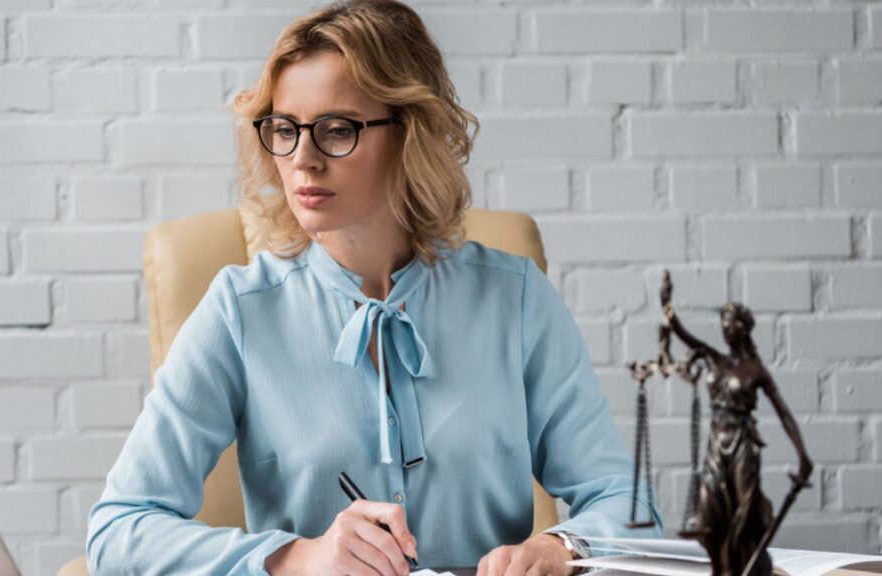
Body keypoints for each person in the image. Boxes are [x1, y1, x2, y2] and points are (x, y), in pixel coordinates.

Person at [86, 1, 662, 575]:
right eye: (285, 130)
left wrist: (556, 549)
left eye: (337, 130)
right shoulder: (240, 311)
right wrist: (297, 558)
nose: (303, 159)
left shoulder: (516, 300)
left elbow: (627, 507)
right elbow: (118, 531)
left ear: (410, 133)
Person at [660, 278, 813, 576]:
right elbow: (682, 333)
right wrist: (666, 305)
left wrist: (802, 455)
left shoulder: (756, 370)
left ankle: (740, 567)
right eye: (724, 324)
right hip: (716, 443)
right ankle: (722, 568)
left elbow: (784, 414)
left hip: (743, 443)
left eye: (733, 324)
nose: (727, 329)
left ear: (745, 328)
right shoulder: (714, 358)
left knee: (744, 511)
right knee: (709, 510)